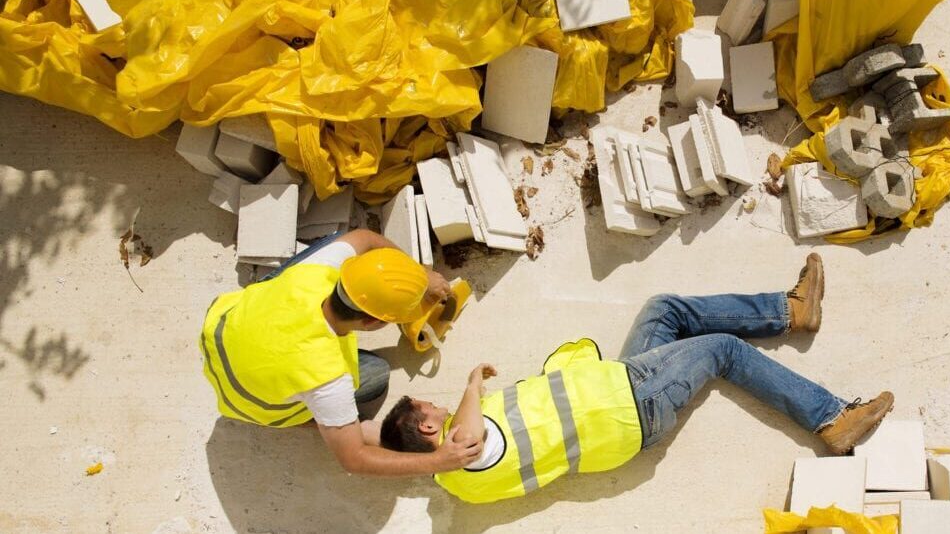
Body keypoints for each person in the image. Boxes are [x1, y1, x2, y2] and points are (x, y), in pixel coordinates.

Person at [379, 254, 894, 503]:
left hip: (616, 391)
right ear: (428, 431)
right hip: (631, 406)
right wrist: (472, 383)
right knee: (722, 350)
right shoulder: (463, 454)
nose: (441, 408)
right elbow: (469, 437)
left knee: (662, 310)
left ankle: (789, 311)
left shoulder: (458, 484)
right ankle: (831, 417)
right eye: (431, 410)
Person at [199, 228, 481, 477]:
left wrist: (419, 275)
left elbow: (367, 238)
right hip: (249, 401)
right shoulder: (327, 375)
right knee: (376, 374)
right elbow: (353, 459)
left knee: (336, 241)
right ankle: (312, 421)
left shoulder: (317, 273)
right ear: (373, 322)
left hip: (224, 333)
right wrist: (439, 461)